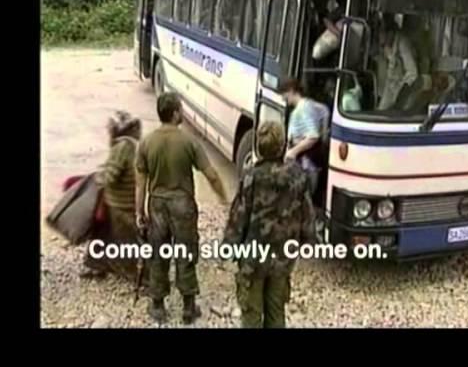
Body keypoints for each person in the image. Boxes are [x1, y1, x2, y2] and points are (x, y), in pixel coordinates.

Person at [135, 93, 228, 324]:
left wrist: (139, 213)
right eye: (181, 108)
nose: (182, 112)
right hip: (183, 205)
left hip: (156, 204)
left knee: (159, 253)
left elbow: (140, 184)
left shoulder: (146, 143)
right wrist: (223, 199)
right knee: (186, 253)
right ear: (175, 112)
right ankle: (188, 306)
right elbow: (212, 175)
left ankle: (157, 306)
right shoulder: (189, 142)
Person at [223, 121, 316, 328]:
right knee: (276, 313)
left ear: (259, 147)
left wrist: (228, 246)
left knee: (251, 314)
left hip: (253, 260)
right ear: (283, 146)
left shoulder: (250, 177)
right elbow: (307, 216)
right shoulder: (297, 177)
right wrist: (309, 242)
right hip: (283, 259)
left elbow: (238, 217)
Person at [80, 111, 144, 281]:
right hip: (122, 202)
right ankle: (97, 266)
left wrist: (98, 177)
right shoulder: (132, 146)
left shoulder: (121, 147)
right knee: (102, 235)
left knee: (124, 242)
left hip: (119, 205)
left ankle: (135, 276)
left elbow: (112, 176)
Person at [278, 78, 330, 197]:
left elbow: (313, 136)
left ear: (291, 91)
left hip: (305, 166)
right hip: (308, 164)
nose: (283, 98)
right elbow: (325, 111)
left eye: (283, 94)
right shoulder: (311, 104)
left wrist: (293, 152)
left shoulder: (303, 109)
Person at [375, 15, 418, 110]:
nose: (381, 39)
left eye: (383, 34)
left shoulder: (403, 43)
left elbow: (412, 73)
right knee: (380, 113)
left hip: (401, 89)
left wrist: (401, 95)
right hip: (387, 86)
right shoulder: (384, 46)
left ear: (391, 33)